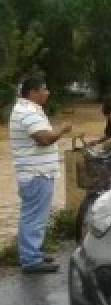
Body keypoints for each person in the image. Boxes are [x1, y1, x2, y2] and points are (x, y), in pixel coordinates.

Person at [9, 77, 72, 273]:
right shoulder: (27, 112)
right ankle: (30, 259)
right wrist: (62, 129)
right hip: (36, 174)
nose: (48, 93)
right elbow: (44, 139)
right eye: (44, 89)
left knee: (34, 216)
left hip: (36, 173)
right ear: (32, 92)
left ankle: (31, 252)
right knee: (34, 217)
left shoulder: (28, 110)